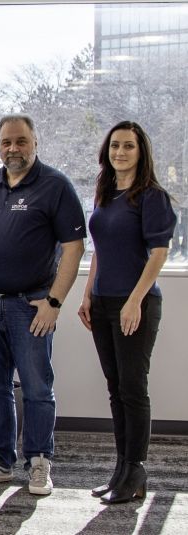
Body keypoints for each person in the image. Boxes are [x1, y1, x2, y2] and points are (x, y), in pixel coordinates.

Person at [0, 114, 86, 495]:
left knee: (36, 388)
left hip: (29, 307)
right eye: (6, 142)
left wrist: (54, 302)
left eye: (21, 141)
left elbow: (74, 248)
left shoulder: (56, 186)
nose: (13, 149)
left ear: (35, 143)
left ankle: (39, 461)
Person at [77, 121, 175, 504]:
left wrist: (135, 300)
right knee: (115, 388)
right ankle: (121, 470)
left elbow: (159, 253)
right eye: (115, 145)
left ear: (140, 151)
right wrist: (87, 294)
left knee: (133, 389)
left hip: (136, 303)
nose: (120, 152)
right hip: (103, 302)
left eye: (128, 146)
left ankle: (136, 469)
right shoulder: (105, 192)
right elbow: (100, 250)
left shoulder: (151, 196)